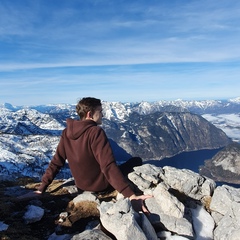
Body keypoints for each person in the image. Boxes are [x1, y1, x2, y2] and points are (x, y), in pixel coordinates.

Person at [18, 97, 151, 212]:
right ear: (90, 114)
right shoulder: (95, 132)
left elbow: (57, 162)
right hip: (101, 186)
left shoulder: (66, 132)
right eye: (100, 111)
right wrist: (131, 195)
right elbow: (108, 166)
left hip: (81, 186)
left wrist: (41, 188)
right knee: (136, 160)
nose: (103, 115)